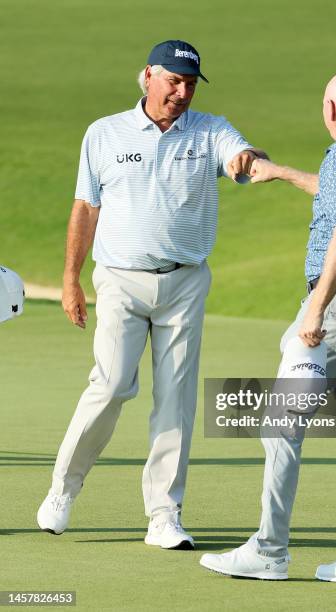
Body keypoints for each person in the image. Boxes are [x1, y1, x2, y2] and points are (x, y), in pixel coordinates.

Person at [37, 39, 267, 550]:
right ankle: (62, 489)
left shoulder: (209, 130)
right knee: (114, 383)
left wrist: (248, 159)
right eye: (173, 81)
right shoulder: (104, 133)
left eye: (189, 84)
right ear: (148, 76)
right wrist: (70, 280)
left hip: (185, 282)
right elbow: (86, 208)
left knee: (177, 402)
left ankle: (164, 514)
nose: (182, 93)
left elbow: (239, 156)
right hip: (119, 279)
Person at [200, 69, 336, 584]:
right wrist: (283, 172)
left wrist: (314, 309)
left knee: (281, 425)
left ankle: (269, 550)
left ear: (330, 109)